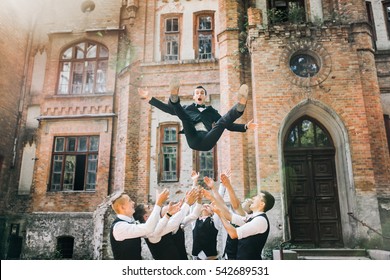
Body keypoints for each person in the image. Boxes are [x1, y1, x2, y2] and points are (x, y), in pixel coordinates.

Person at [138, 79, 259, 151]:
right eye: (197, 93)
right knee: (184, 117)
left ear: (205, 97)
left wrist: (245, 127)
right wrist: (149, 98)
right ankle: (174, 98)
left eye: (202, 93)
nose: (199, 94)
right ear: (194, 97)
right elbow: (167, 109)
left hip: (207, 140)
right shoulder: (187, 108)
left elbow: (228, 125)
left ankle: (240, 106)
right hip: (193, 139)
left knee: (221, 122)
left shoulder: (212, 111)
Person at [208, 190, 275, 260]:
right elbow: (229, 215)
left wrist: (220, 214)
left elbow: (233, 234)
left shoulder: (260, 220)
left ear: (262, 204)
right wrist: (212, 198)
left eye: (258, 196)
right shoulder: (252, 218)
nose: (253, 198)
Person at [133, 189, 198, 260]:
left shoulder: (160, 223)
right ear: (146, 217)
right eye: (149, 208)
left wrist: (184, 204)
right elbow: (173, 223)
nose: (152, 207)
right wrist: (187, 203)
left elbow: (175, 220)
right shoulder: (150, 233)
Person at [109, 189, 169, 260]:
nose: (133, 202)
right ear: (122, 207)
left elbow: (152, 232)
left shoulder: (131, 222)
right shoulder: (119, 227)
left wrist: (168, 215)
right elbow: (147, 228)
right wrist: (158, 203)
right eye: (130, 201)